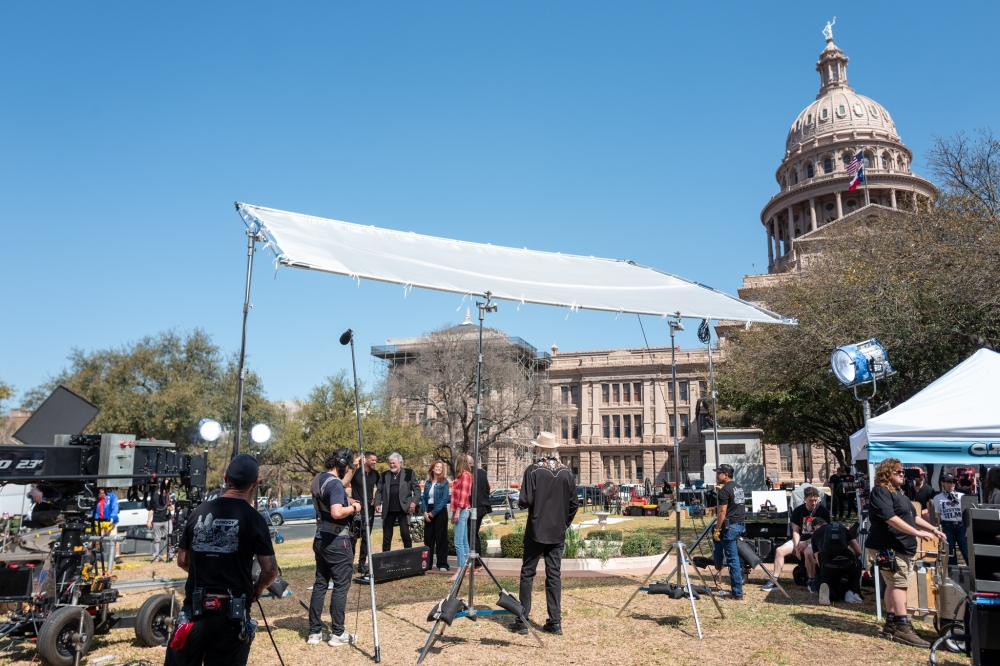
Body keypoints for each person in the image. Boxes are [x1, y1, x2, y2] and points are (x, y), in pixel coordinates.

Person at [165, 454, 278, 666]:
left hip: (193, 611)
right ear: (255, 483)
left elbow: (182, 560)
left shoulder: (198, 512)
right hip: (231, 614)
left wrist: (207, 569)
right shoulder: (254, 518)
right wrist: (259, 588)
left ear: (225, 478)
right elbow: (270, 571)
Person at [866, 458, 947, 648]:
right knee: (898, 585)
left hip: (902, 547)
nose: (903, 474)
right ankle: (903, 626)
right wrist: (917, 533)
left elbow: (914, 517)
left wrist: (933, 529)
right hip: (889, 546)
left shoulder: (899, 493)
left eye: (903, 472)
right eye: (898, 472)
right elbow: (890, 518)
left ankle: (892, 624)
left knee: (893, 584)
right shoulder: (880, 492)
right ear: (887, 473)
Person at [510, 432, 578, 636]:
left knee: (527, 574)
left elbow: (526, 500)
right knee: (554, 575)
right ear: (554, 449)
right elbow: (574, 504)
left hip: (536, 530)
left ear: (538, 449)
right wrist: (564, 523)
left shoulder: (533, 470)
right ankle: (555, 622)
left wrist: (519, 501)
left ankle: (522, 620)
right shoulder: (567, 473)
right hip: (557, 532)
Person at [307, 447, 363, 647]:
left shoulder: (318, 479)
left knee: (320, 583)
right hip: (338, 541)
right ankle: (338, 633)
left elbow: (332, 491)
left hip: (320, 538)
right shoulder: (337, 486)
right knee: (341, 585)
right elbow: (337, 512)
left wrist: (346, 497)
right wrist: (354, 507)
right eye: (346, 466)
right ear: (341, 465)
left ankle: (314, 632)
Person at [763, 485, 831, 593]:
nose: (813, 503)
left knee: (809, 552)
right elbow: (795, 530)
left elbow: (823, 531)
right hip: (801, 539)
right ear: (805, 499)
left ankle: (811, 581)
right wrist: (797, 544)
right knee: (779, 550)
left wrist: (807, 543)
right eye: (811, 500)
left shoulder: (823, 511)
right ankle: (775, 580)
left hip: (816, 540)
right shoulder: (798, 511)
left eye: (815, 500)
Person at [810, 517, 864, 606]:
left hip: (828, 566)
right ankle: (850, 592)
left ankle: (828, 592)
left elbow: (818, 561)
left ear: (814, 527)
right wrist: (852, 561)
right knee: (858, 563)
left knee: (821, 577)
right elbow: (858, 551)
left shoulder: (815, 534)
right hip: (847, 563)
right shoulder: (841, 527)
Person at [712, 464, 746, 600]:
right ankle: (718, 561)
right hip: (740, 525)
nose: (716, 475)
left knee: (733, 560)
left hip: (730, 527)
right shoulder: (738, 487)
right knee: (716, 539)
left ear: (725, 475)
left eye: (719, 473)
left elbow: (722, 512)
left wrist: (717, 529)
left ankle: (737, 593)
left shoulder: (724, 490)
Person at [374, 453, 420, 552]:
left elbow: (417, 490)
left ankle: (408, 556)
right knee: (387, 537)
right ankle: (385, 559)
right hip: (388, 510)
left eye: (394, 463)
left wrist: (413, 503)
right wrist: (377, 503)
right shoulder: (384, 475)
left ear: (400, 463)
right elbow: (379, 491)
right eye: (390, 463)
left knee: (405, 534)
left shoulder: (409, 473)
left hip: (403, 509)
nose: (392, 465)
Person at [350, 452, 379, 574]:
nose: (374, 462)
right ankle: (349, 565)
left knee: (366, 538)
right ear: (366, 460)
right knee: (353, 538)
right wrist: (349, 499)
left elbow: (381, 489)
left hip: (369, 511)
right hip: (356, 510)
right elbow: (340, 484)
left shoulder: (375, 474)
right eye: (372, 460)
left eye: (375, 460)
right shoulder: (355, 472)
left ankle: (362, 564)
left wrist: (376, 500)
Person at [932, 473, 968, 566]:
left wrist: (968, 528)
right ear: (943, 483)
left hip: (961, 526)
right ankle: (953, 575)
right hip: (947, 526)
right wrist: (939, 529)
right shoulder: (937, 498)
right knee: (950, 554)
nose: (952, 484)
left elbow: (967, 513)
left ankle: (973, 575)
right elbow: (938, 515)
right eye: (949, 482)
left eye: (954, 482)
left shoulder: (962, 495)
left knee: (966, 552)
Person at [421, 461, 451, 571]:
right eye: (436, 466)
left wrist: (433, 513)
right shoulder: (428, 483)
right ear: (432, 469)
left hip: (440, 512)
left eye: (440, 467)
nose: (438, 468)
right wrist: (425, 512)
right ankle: (427, 564)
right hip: (428, 510)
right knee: (428, 538)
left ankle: (442, 564)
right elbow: (423, 498)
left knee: (441, 538)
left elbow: (444, 499)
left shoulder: (444, 482)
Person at [449, 455, 473, 580]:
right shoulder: (462, 476)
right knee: (463, 541)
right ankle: (466, 567)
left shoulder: (465, 475)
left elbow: (464, 495)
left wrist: (457, 511)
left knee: (458, 541)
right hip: (461, 510)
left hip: (462, 510)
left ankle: (460, 569)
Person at [93, 487, 123, 565]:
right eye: (99, 493)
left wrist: (112, 518)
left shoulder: (112, 497)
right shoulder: (94, 499)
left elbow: (115, 507)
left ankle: (116, 556)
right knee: (96, 539)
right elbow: (92, 510)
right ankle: (93, 556)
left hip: (110, 521)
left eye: (102, 492)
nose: (101, 494)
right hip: (99, 521)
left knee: (114, 538)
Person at [471, 454, 492, 567]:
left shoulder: (467, 474)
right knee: (474, 534)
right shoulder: (482, 473)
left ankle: (476, 561)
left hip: (473, 508)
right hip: (482, 507)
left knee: (472, 534)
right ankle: (477, 560)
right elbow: (487, 489)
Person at [147, 479, 174, 562]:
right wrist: (148, 520)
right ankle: (157, 556)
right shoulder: (154, 496)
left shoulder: (168, 495)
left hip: (167, 520)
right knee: (157, 539)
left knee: (170, 538)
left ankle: (171, 555)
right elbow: (151, 509)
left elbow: (172, 507)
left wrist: (171, 508)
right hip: (156, 520)